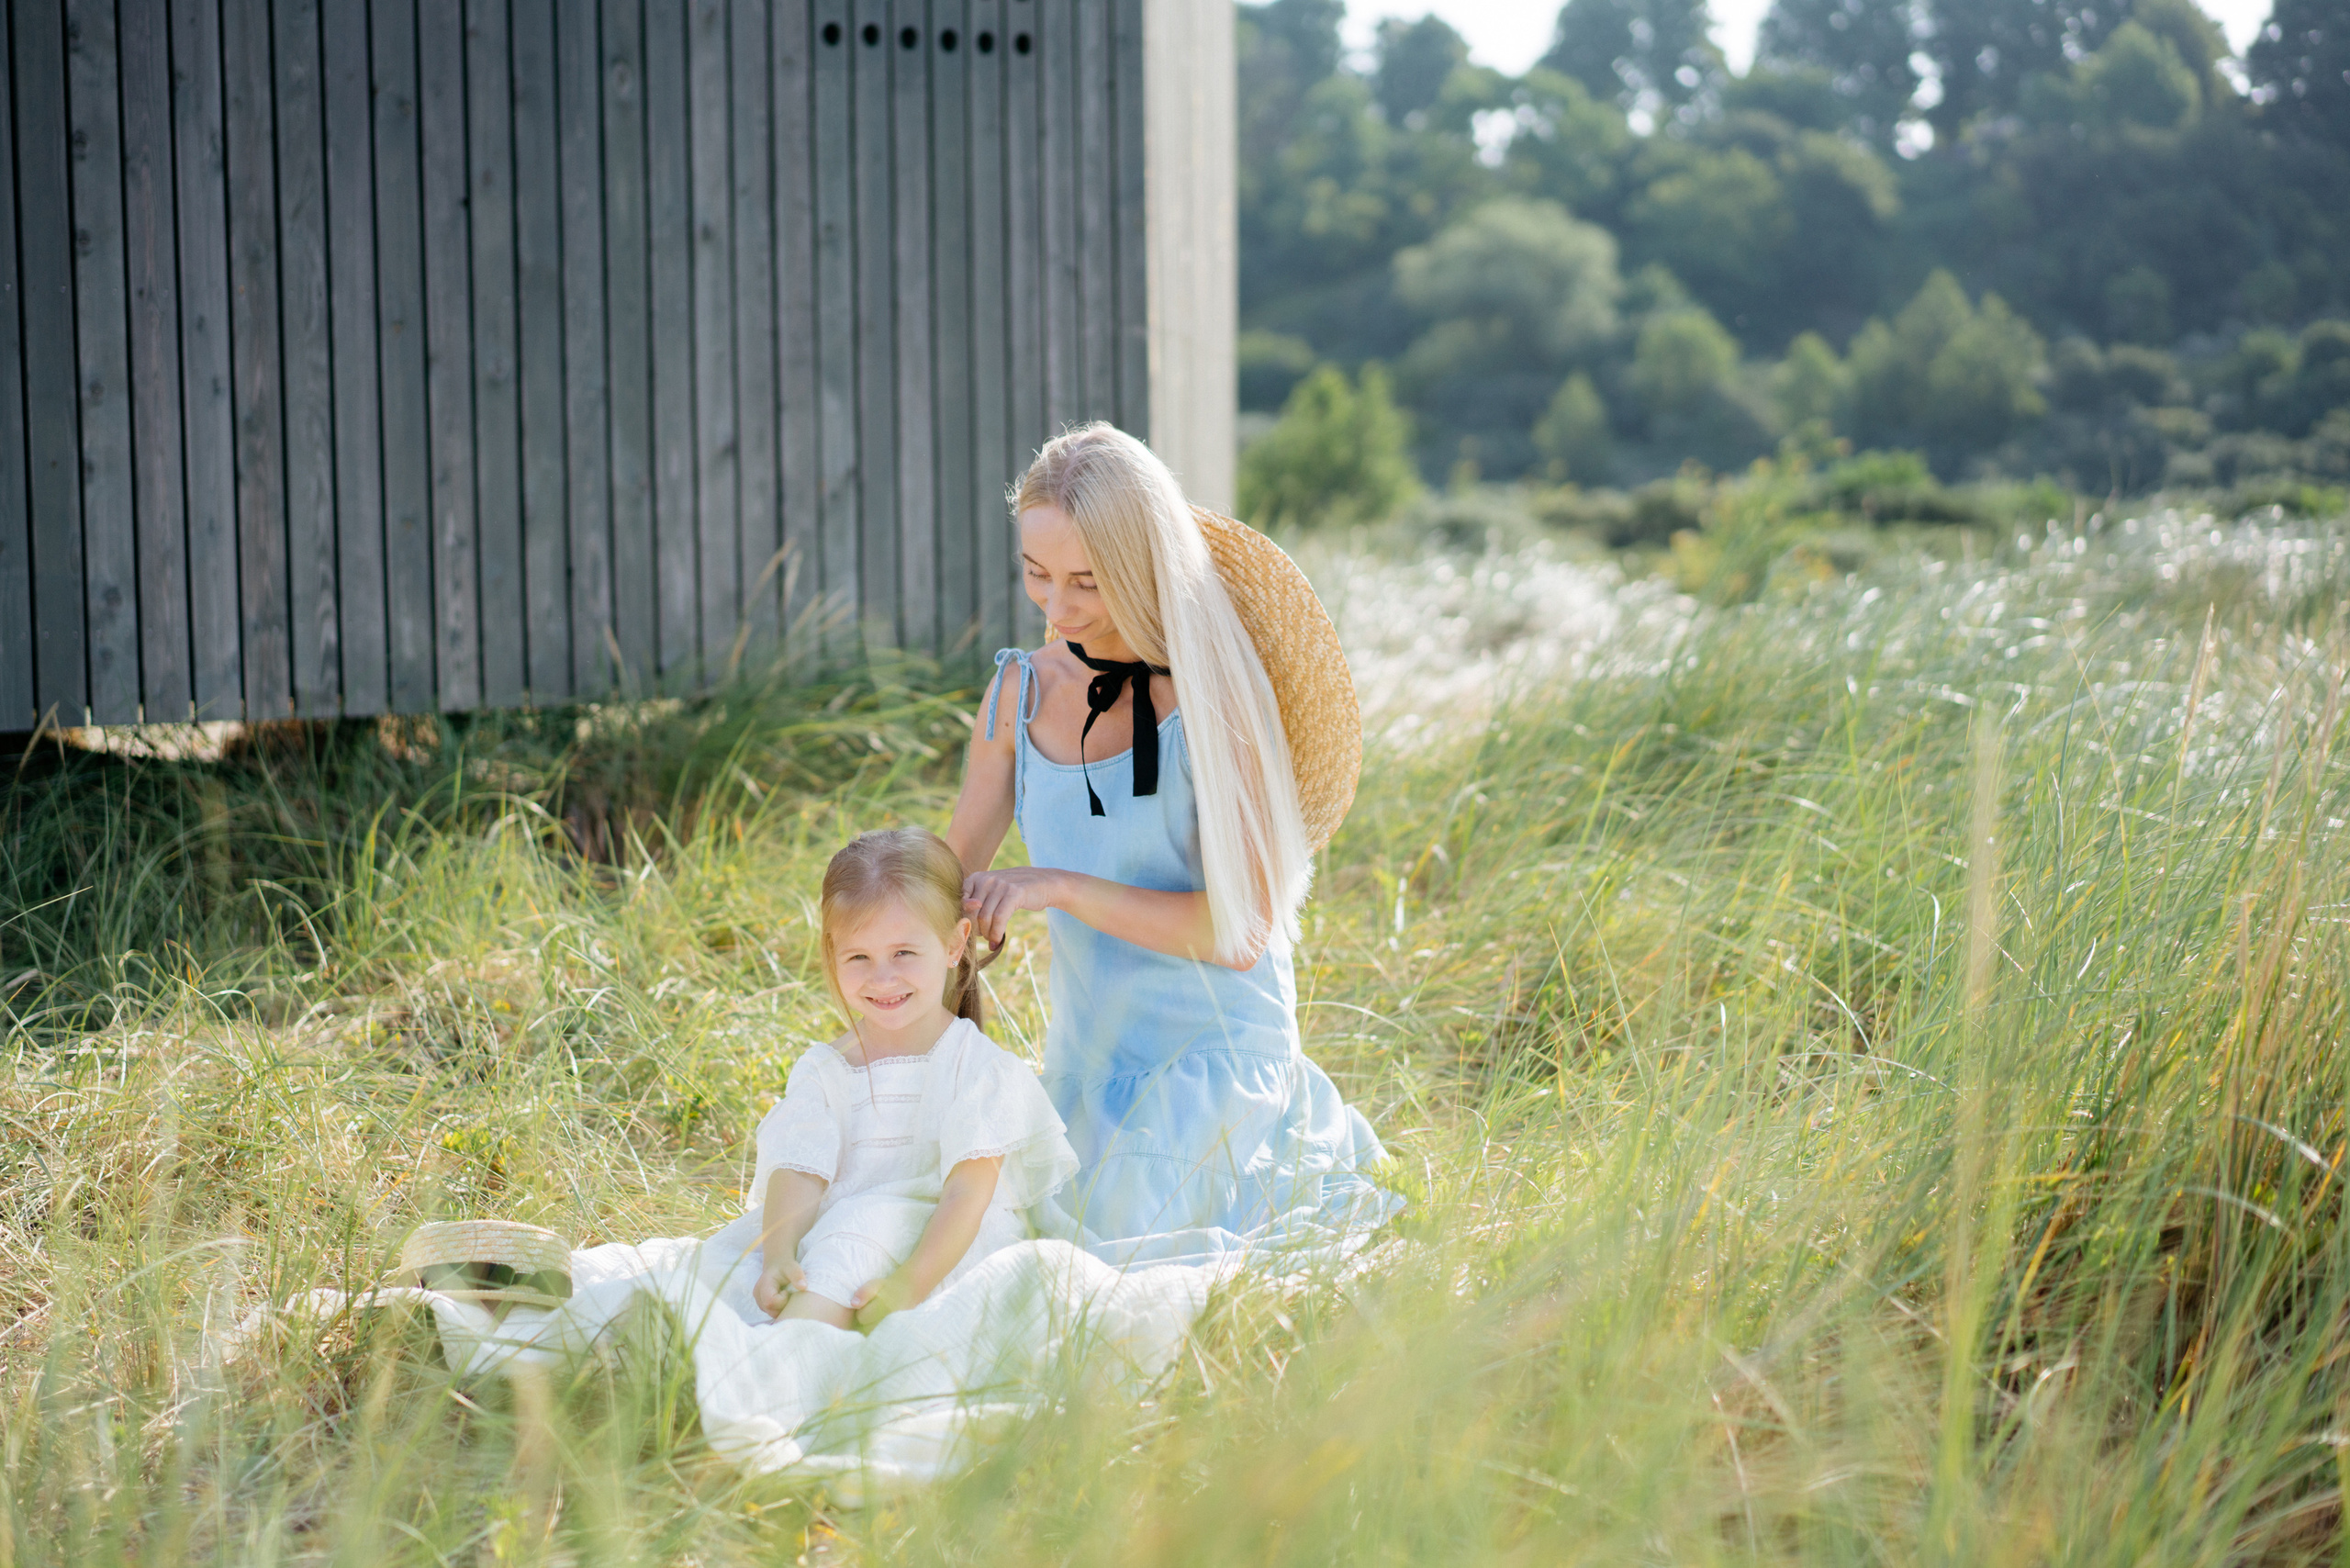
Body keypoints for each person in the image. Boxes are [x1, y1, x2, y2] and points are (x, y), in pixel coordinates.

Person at [946, 423, 1396, 1256]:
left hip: (1216, 1062)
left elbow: (1239, 934)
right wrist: (902, 921)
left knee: (1118, 1253)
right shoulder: (1019, 691)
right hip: (1089, 1065)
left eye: (1088, 580)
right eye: (1036, 573)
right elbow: (951, 868)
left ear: (1148, 568)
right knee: (987, 1242)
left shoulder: (1217, 703)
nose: (1056, 606)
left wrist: (1057, 886)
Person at [750, 828, 1078, 1330]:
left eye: (903, 953)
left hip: (939, 1249)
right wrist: (778, 1254)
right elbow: (799, 1171)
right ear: (832, 953)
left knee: (846, 1253)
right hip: (840, 1238)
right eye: (859, 957)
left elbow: (967, 1195)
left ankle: (783, 1382)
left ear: (953, 944)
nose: (883, 979)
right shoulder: (827, 1070)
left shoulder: (977, 1069)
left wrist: (910, 1284)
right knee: (746, 1284)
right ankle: (783, 1367)